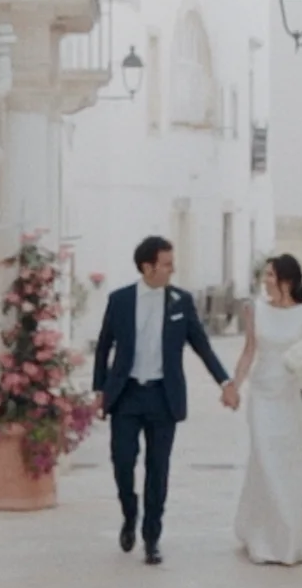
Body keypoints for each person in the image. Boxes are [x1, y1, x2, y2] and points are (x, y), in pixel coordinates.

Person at [92, 235, 231, 565]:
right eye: (167, 264)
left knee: (159, 468)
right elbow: (103, 347)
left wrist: (224, 381)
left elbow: (202, 345)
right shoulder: (120, 300)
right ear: (147, 267)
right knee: (123, 461)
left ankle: (152, 536)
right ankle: (130, 513)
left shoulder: (181, 302)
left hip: (162, 396)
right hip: (126, 395)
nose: (173, 269)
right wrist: (100, 389)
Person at [222, 254, 302, 565]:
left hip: (294, 395)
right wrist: (234, 384)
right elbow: (249, 351)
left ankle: (295, 533)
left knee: (293, 462)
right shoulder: (255, 311)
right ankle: (267, 535)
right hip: (263, 394)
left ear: (287, 279)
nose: (266, 281)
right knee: (266, 458)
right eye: (266, 275)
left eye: (271, 275)